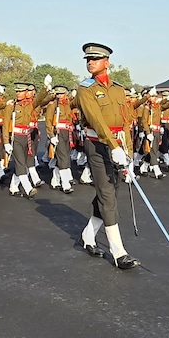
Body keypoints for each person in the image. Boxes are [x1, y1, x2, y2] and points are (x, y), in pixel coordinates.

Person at [72, 42, 140, 269]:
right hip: (97, 145)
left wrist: (128, 153)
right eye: (88, 60)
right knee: (108, 194)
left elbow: (125, 122)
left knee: (109, 192)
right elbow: (97, 122)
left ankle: (88, 235)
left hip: (118, 145)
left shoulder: (119, 89)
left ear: (107, 63)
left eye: (95, 59)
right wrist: (114, 147)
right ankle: (119, 252)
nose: (90, 62)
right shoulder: (85, 89)